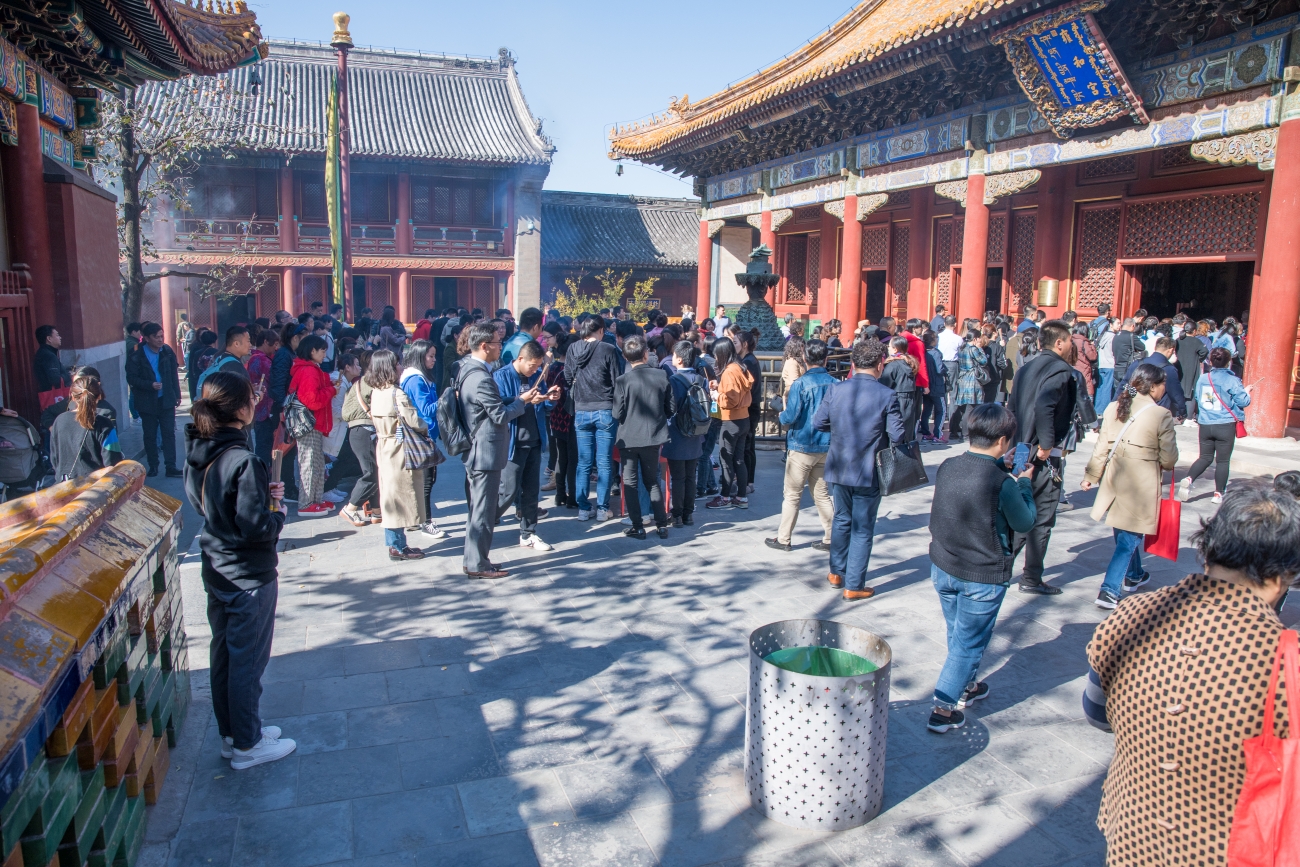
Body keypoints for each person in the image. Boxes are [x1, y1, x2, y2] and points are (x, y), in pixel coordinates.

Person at [1085, 478, 1300, 865]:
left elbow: (1096, 712)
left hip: (1132, 833)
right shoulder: (1287, 659)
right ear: (1282, 575)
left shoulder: (1132, 615)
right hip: (1225, 850)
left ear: (1207, 548)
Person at [183, 371, 295, 770]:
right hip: (248, 573)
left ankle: (235, 734)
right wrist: (277, 514)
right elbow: (256, 528)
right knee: (247, 660)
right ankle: (248, 744)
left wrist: (262, 496)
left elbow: (207, 506)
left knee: (226, 657)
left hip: (216, 566)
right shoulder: (244, 460)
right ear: (243, 409)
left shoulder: (201, 449)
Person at [925, 403, 1036, 733]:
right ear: (1003, 441)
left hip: (944, 566)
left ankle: (967, 685)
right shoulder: (1002, 482)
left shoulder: (948, 466)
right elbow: (1025, 521)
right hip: (981, 575)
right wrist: (1025, 484)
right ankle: (943, 710)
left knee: (958, 631)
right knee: (968, 644)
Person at [812, 338, 905, 600]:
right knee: (862, 527)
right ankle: (854, 584)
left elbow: (818, 422)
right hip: (868, 469)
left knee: (842, 518)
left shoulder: (836, 390)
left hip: (840, 465)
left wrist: (842, 431)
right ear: (880, 364)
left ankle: (836, 572)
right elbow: (897, 436)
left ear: (853, 363)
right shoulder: (887, 395)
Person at [1081, 364, 1179, 609]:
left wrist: (1091, 476)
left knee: (1124, 531)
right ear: (1153, 386)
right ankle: (1109, 590)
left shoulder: (1115, 407)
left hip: (1115, 477)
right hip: (1140, 481)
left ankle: (1135, 574)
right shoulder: (1161, 414)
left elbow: (1102, 446)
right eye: (1162, 384)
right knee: (1129, 538)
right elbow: (1169, 459)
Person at [1008, 320, 1079, 596]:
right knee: (1041, 514)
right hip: (1041, 451)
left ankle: (1002, 566)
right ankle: (1031, 577)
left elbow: (1012, 408)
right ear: (1059, 342)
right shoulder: (1060, 370)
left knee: (1019, 507)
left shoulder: (1026, 368)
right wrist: (1047, 445)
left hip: (1021, 447)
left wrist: (1015, 446)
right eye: (1070, 340)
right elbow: (1044, 405)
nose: (1072, 345)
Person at [458, 322, 529, 578]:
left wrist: (516, 400)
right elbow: (499, 415)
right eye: (498, 343)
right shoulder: (480, 377)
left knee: (479, 510)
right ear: (485, 346)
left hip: (478, 450)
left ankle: (473, 560)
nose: (501, 347)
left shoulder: (468, 369)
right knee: (484, 512)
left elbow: (492, 406)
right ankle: (478, 564)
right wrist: (520, 401)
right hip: (485, 453)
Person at [766, 339, 835, 552]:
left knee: (793, 494)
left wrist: (782, 415)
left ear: (804, 358)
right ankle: (832, 537)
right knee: (822, 493)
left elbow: (791, 416)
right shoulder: (835, 383)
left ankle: (784, 538)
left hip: (802, 445)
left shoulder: (800, 385)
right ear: (826, 359)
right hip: (826, 445)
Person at [363, 350, 428, 561]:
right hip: (399, 448)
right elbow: (415, 422)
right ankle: (397, 546)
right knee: (400, 497)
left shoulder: (375, 392)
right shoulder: (396, 393)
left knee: (389, 496)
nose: (400, 368)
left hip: (383, 445)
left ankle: (396, 543)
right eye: (397, 364)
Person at [494, 340, 557, 551]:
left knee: (531, 492)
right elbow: (499, 404)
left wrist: (550, 397)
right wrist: (524, 399)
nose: (534, 370)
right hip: (513, 441)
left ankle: (528, 533)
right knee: (507, 491)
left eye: (538, 366)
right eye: (532, 365)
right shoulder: (501, 376)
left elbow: (545, 403)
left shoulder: (536, 377)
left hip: (534, 439)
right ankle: (482, 522)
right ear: (520, 359)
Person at [612, 336, 676, 539]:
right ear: (646, 353)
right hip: (652, 436)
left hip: (628, 437)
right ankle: (662, 525)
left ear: (625, 356)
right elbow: (670, 408)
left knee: (630, 482)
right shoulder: (661, 376)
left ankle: (637, 525)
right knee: (652, 481)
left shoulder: (623, 380)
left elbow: (617, 413)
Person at [565, 315, 623, 522]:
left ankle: (583, 508)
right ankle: (602, 508)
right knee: (604, 461)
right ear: (600, 330)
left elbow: (567, 376)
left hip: (581, 409)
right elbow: (618, 381)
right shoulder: (608, 349)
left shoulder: (573, 348)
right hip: (605, 409)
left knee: (583, 462)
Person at [1179, 347, 1252, 505]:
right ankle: (1218, 493)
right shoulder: (1232, 380)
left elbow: (1198, 397)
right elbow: (1243, 401)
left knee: (1204, 457)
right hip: (1225, 423)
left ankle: (1189, 478)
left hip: (1206, 422)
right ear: (1229, 362)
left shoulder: (1204, 378)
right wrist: (1246, 392)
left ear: (1211, 361)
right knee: (1223, 461)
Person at [399, 340, 447, 541]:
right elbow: (426, 410)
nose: (434, 360)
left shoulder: (416, 378)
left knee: (422, 481)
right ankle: (426, 522)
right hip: (420, 435)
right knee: (426, 482)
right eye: (430, 356)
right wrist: (445, 399)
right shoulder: (416, 380)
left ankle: (416, 519)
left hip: (423, 434)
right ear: (420, 356)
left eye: (435, 355)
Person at [287, 335, 337, 517]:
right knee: (309, 462)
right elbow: (313, 401)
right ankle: (306, 503)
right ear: (312, 351)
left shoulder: (311, 369)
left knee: (316, 463)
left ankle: (315, 500)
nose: (325, 353)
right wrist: (331, 390)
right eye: (322, 350)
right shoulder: (308, 371)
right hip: (308, 423)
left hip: (312, 423)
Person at [126, 323, 183, 478]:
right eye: (156, 337)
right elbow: (131, 378)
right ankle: (153, 465)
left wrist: (177, 394)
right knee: (150, 435)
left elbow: (173, 374)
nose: (160, 339)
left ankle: (171, 466)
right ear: (146, 338)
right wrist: (149, 385)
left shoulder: (167, 351)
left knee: (169, 434)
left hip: (166, 399)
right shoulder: (136, 353)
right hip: (146, 400)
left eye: (161, 336)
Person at [706, 337, 753, 510]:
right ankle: (741, 496)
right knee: (738, 460)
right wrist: (719, 386)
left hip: (731, 419)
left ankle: (725, 496)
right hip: (743, 418)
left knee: (726, 459)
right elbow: (739, 391)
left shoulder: (729, 371)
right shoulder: (740, 366)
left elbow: (731, 399)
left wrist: (717, 396)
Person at [664, 341, 706, 528]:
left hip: (677, 433)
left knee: (678, 477)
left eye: (673, 355)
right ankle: (689, 514)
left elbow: (669, 408)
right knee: (691, 476)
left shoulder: (673, 381)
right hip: (696, 432)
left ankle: (677, 515)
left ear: (679, 359)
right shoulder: (701, 380)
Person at [50, 373, 122, 480]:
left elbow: (55, 459)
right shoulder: (104, 424)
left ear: (73, 397)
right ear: (98, 397)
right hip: (95, 489)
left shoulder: (59, 420)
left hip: (64, 487)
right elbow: (113, 463)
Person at [339, 352, 381, 528]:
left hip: (361, 431)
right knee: (370, 471)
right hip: (362, 430)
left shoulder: (362, 381)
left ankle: (375, 510)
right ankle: (350, 508)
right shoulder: (371, 382)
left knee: (375, 469)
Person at [544, 332, 578, 510]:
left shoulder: (554, 368)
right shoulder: (574, 370)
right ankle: (572, 497)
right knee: (573, 459)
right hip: (572, 418)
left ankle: (560, 495)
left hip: (556, 416)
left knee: (561, 457)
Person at [1125, 336, 1185, 422]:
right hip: (1156, 412)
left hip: (1134, 407)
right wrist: (1182, 412)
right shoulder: (1169, 369)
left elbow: (1125, 385)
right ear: (1171, 350)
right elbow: (1175, 393)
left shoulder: (1137, 363)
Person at [246, 329, 278, 465]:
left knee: (262, 443)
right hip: (265, 407)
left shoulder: (253, 358)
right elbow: (275, 379)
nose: (276, 348)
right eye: (274, 344)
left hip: (258, 406)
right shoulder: (262, 360)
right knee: (265, 445)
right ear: (265, 342)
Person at [948, 328, 987, 440]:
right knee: (970, 407)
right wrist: (980, 349)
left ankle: (953, 431)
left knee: (961, 407)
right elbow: (983, 361)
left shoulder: (962, 347)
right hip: (972, 379)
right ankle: (966, 434)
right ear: (975, 338)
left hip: (962, 377)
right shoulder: (973, 349)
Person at [737, 332, 763, 491]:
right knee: (748, 446)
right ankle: (747, 481)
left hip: (749, 408)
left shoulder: (748, 362)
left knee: (747, 447)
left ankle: (748, 482)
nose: (734, 346)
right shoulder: (749, 360)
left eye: (735, 342)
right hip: (751, 407)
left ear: (745, 344)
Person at [879, 336, 919, 441]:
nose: (888, 348)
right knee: (907, 432)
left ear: (895, 349)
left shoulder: (892, 365)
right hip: (910, 399)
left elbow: (884, 385)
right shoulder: (910, 363)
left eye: (889, 346)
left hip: (897, 399)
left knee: (895, 431)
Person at [197, 325, 252, 394]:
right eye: (248, 341)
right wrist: (257, 394)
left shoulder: (221, 358)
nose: (250, 344)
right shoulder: (234, 366)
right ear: (236, 343)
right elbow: (241, 398)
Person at [1175, 323, 1208, 419]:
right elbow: (1204, 351)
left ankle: (1178, 415)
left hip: (1178, 367)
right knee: (1190, 393)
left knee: (1178, 391)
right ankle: (1188, 417)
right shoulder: (1196, 342)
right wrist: (1199, 359)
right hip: (1191, 368)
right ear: (1194, 331)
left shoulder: (1178, 340)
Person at [919, 331, 948, 443]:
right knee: (941, 409)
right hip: (937, 385)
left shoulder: (922, 352)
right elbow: (939, 369)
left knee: (926, 410)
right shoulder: (936, 353)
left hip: (926, 384)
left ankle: (926, 432)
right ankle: (938, 434)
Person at [1110, 317, 1145, 385]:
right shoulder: (1131, 336)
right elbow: (1142, 347)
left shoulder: (1116, 335)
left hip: (1116, 368)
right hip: (1126, 368)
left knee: (1118, 392)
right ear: (1132, 326)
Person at [187, 330, 219, 401]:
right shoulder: (217, 353)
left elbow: (194, 369)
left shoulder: (197, 353)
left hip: (200, 381)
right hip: (214, 383)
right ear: (214, 340)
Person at [1094, 317, 1117, 414]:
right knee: (1107, 388)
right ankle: (1105, 410)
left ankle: (1097, 409)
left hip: (1101, 364)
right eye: (1118, 323)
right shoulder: (1113, 337)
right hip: (1110, 364)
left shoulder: (1103, 336)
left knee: (1100, 387)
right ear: (1111, 325)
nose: (1119, 326)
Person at [936, 315, 962, 393]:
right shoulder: (958, 338)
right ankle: (952, 405)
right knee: (953, 389)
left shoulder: (938, 336)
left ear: (944, 324)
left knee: (940, 388)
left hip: (939, 363)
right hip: (952, 364)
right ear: (955, 324)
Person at [1070, 323, 1097, 398]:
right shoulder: (1084, 342)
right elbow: (1092, 356)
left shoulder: (1070, 340)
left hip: (1072, 368)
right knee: (1086, 391)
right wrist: (1092, 346)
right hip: (1084, 370)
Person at [780, 336, 806, 404]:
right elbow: (794, 382)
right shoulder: (792, 362)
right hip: (793, 397)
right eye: (802, 346)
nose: (803, 349)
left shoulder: (795, 361)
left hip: (795, 395)